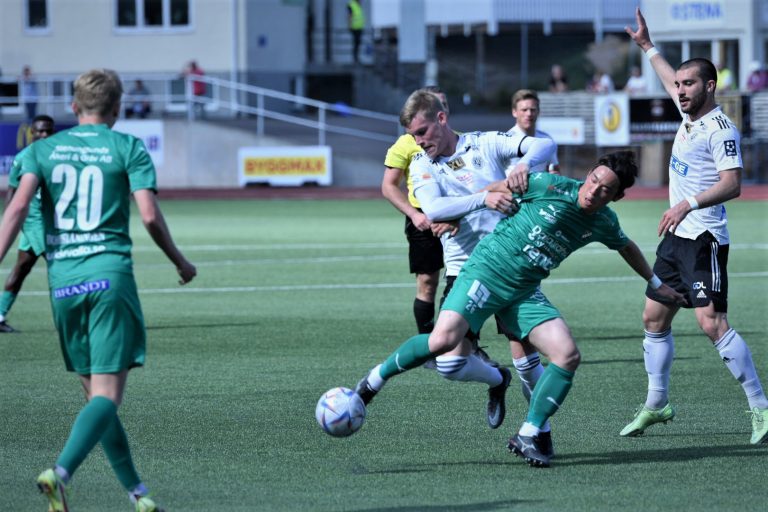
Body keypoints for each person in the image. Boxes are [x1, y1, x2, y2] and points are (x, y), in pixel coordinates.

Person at [354, 108, 682, 469]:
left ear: (616, 197)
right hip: (486, 271)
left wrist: (654, 284)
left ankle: (531, 431)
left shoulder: (604, 220)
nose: (594, 191)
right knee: (443, 343)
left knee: (567, 354)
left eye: (605, 190)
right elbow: (492, 190)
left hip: (524, 290)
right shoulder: (548, 186)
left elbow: (626, 245)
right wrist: (455, 215)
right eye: (593, 181)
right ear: (587, 175)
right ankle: (371, 383)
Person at [0, 69, 197, 511]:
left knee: (97, 399)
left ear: (74, 107)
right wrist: (180, 262)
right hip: (110, 278)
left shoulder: (41, 150)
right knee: (107, 398)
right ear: (117, 109)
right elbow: (148, 216)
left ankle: (139, 496)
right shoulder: (127, 146)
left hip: (64, 283)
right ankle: (60, 473)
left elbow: (15, 210)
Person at [622, 8, 768, 445]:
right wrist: (648, 48)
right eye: (678, 85)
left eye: (689, 84)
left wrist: (688, 203)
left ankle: (760, 407)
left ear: (710, 86)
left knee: (712, 323)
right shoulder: (689, 113)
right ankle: (657, 403)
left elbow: (733, 184)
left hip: (704, 238)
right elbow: (667, 79)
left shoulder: (720, 129)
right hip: (676, 238)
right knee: (653, 316)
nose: (679, 90)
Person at [397, 89, 558, 444]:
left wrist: (521, 166)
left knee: (527, 356)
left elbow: (543, 147)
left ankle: (539, 432)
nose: (419, 142)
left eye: (422, 132)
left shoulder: (484, 143)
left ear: (441, 119)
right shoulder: (422, 163)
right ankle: (497, 379)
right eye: (413, 136)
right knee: (449, 363)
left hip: (508, 263)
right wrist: (485, 197)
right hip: (464, 269)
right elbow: (435, 210)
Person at [381, 86, 448, 337]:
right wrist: (414, 214)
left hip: (456, 220)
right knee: (427, 283)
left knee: (464, 283)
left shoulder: (460, 142)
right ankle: (426, 347)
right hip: (423, 220)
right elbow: (388, 186)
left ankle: (466, 346)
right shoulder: (406, 143)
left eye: (445, 104)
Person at [0, 115, 55, 333]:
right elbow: (12, 192)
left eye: (48, 131)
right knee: (61, 265)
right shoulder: (23, 157)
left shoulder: (56, 156)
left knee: (22, 268)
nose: (44, 135)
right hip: (34, 222)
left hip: (47, 221)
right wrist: (8, 224)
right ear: (31, 132)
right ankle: (79, 317)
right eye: (40, 131)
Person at [509, 89, 560, 174]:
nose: (529, 114)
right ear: (514, 112)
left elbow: (555, 169)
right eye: (524, 110)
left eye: (532, 110)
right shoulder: (507, 140)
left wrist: (554, 177)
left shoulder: (546, 140)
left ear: (538, 112)